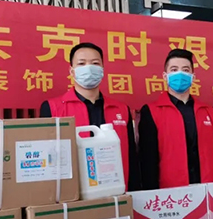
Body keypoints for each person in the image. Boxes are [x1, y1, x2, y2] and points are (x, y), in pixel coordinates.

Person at [41, 42, 140, 191]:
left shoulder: (121, 109)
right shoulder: (52, 108)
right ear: (72, 71)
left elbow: (131, 158)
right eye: (81, 63)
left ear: (102, 69)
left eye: (95, 63)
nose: (88, 68)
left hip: (117, 192)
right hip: (74, 195)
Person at [138, 48, 213, 189]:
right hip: (171, 191)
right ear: (165, 76)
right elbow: (147, 160)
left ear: (193, 76)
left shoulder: (208, 111)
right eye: (174, 69)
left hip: (207, 188)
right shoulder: (152, 111)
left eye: (185, 70)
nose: (180, 74)